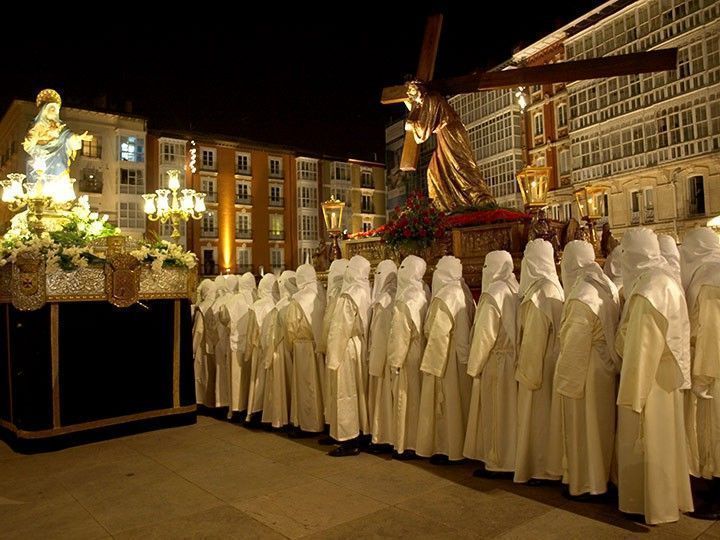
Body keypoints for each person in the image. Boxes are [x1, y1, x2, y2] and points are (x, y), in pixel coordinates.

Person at [615, 228, 693, 524]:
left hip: (648, 382)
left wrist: (631, 394)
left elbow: (640, 348)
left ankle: (650, 504)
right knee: (667, 440)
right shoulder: (666, 281)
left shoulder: (649, 290)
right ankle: (667, 500)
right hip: (666, 378)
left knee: (649, 442)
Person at [555, 240, 620, 499]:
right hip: (604, 365)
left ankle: (586, 482)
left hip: (585, 369)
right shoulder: (605, 285)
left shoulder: (582, 295)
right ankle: (602, 476)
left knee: (585, 426)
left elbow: (574, 343)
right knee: (602, 425)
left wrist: (563, 377)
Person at [464, 250, 519, 477]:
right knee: (510, 413)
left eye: (486, 266)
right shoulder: (513, 287)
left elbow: (485, 335)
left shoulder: (492, 294)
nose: (483, 271)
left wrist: (473, 366)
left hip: (496, 360)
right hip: (511, 359)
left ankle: (498, 462)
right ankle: (512, 457)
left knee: (496, 413)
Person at [514, 239, 565, 484]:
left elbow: (534, 339)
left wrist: (526, 373)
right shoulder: (554, 287)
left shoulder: (539, 294)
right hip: (553, 360)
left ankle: (540, 467)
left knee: (539, 417)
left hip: (540, 364)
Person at [416, 255, 473, 463]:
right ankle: (459, 446)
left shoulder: (445, 297)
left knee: (447, 404)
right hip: (459, 358)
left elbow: (438, 334)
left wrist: (430, 365)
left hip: (445, 359)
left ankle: (447, 448)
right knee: (460, 402)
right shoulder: (462, 291)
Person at [404, 81, 494, 212]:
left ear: (420, 89)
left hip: (451, 132)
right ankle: (445, 204)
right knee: (434, 170)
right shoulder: (427, 101)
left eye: (411, 90)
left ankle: (479, 197)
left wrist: (411, 125)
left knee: (459, 165)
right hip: (445, 134)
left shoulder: (431, 98)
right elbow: (426, 117)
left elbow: (423, 130)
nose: (409, 94)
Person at [680, 227, 720, 518]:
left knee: (714, 432)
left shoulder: (708, 280)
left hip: (714, 373)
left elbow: (710, 333)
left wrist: (701, 376)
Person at [384, 255, 430, 459]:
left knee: (405, 397)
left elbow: (400, 334)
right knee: (417, 397)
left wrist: (394, 361)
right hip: (419, 350)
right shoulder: (422, 292)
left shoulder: (405, 300)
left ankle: (406, 443)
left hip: (408, 353)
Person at [326, 255, 372, 456]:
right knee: (360, 391)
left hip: (346, 346)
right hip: (360, 345)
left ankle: (348, 437)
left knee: (346, 393)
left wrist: (332, 357)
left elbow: (339, 327)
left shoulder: (349, 294)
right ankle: (362, 432)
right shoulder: (365, 291)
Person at [287, 264, 327, 435]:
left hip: (303, 346)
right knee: (320, 386)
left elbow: (291, 327)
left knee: (306, 387)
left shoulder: (298, 299)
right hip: (319, 346)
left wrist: (291, 346)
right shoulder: (321, 294)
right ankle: (323, 421)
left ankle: (309, 425)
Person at [23, 89, 92, 181]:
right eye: (52, 108)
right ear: (45, 110)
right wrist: (39, 148)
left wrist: (78, 137)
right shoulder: (36, 125)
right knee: (38, 172)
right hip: (40, 157)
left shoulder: (61, 127)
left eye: (56, 109)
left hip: (58, 159)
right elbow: (28, 144)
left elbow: (68, 136)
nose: (54, 111)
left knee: (60, 173)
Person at [366, 260, 398, 453]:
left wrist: (374, 362)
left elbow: (380, 334)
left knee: (384, 400)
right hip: (392, 356)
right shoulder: (396, 296)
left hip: (384, 358)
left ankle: (383, 437)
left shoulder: (383, 300)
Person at [262, 270, 298, 429]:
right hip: (288, 350)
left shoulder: (280, 306)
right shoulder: (293, 303)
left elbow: (270, 334)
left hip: (281, 349)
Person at [244, 274, 279, 425]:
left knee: (258, 381)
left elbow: (252, 334)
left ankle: (257, 411)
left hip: (260, 349)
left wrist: (248, 351)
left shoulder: (257, 306)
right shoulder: (278, 303)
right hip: (274, 350)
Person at [222, 272, 257, 418]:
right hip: (251, 344)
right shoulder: (257, 298)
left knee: (237, 377)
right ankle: (248, 406)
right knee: (249, 376)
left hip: (236, 343)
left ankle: (237, 408)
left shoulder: (236, 299)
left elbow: (224, 317)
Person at [192, 279, 217, 407]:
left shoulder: (202, 308)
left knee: (202, 375)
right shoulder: (216, 304)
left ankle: (201, 402)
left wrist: (192, 348)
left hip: (202, 348)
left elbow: (198, 331)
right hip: (213, 347)